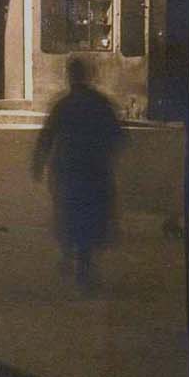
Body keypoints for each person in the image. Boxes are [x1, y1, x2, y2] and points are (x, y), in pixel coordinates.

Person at [32, 58, 126, 292]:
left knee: (69, 211)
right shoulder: (100, 103)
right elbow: (118, 136)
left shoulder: (63, 104)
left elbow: (47, 136)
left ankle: (70, 253)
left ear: (70, 77)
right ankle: (83, 261)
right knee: (91, 214)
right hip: (93, 168)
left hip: (67, 168)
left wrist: (38, 162)